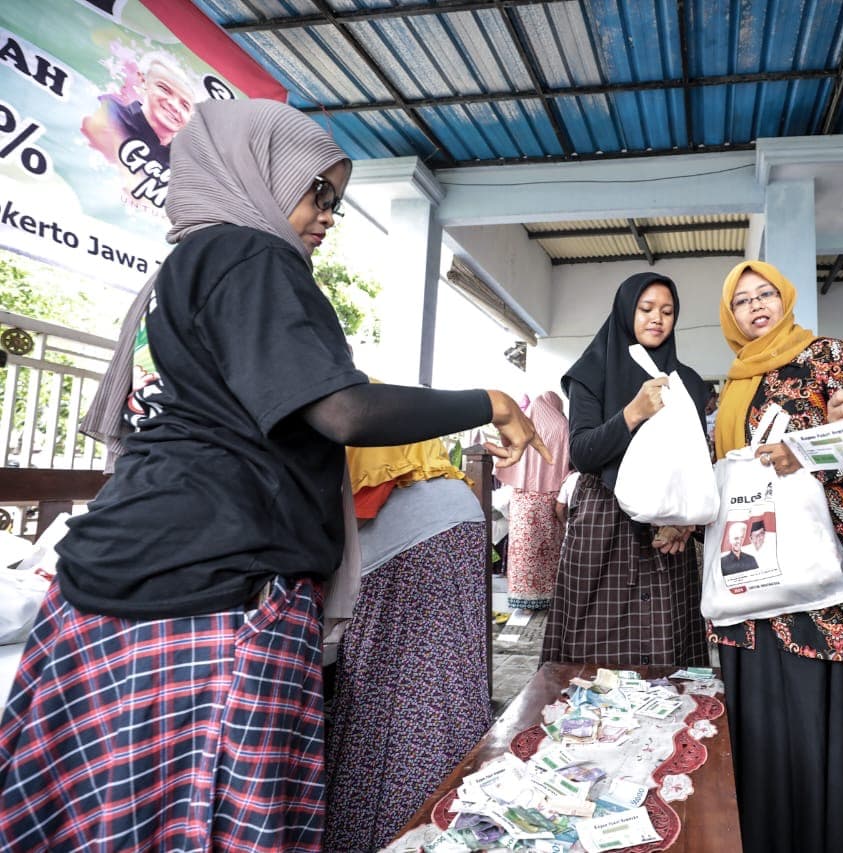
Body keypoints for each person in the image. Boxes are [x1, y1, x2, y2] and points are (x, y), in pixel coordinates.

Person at [0, 99, 547, 851]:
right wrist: (490, 400)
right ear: (255, 173)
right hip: (212, 600)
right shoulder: (249, 254)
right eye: (317, 191)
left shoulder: (183, 270)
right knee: (210, 821)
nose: (327, 215)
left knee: (118, 820)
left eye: (337, 199)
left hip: (120, 583)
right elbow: (344, 413)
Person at [708, 260, 843, 853]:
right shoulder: (731, 384)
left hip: (819, 558)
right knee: (760, 714)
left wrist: (804, 447)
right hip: (750, 565)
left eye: (765, 295)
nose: (756, 307)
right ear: (730, 316)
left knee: (817, 703)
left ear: (784, 300)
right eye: (742, 301)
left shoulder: (828, 354)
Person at [325, 438, 489, 852]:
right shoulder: (376, 405)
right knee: (450, 678)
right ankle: (463, 820)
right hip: (460, 512)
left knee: (383, 698)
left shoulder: (326, 419)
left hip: (398, 530)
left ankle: (396, 832)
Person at [541, 273, 710, 668]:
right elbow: (582, 453)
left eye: (667, 311)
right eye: (646, 309)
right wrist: (634, 412)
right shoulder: (592, 371)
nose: (657, 319)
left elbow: (697, 461)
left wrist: (683, 523)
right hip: (605, 523)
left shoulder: (687, 382)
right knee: (595, 641)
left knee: (663, 636)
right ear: (625, 311)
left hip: (666, 527)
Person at [496, 391, 570, 610]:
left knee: (523, 549)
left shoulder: (523, 425)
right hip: (549, 498)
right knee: (547, 549)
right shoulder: (562, 426)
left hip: (521, 498)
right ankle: (548, 596)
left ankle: (522, 598)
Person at [82, 52, 196, 172]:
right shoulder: (111, 116)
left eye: (185, 105)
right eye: (164, 89)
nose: (174, 105)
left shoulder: (184, 163)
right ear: (143, 81)